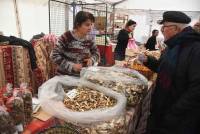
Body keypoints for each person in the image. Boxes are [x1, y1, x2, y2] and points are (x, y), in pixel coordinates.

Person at [138, 11, 200, 134]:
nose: (162, 31)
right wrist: (148, 60)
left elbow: (197, 89)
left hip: (180, 117)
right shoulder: (172, 45)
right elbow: (162, 68)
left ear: (175, 28)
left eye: (164, 27)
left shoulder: (195, 49)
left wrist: (174, 111)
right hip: (162, 107)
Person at [50, 11, 100, 76]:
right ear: (78, 25)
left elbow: (97, 53)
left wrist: (91, 60)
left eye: (91, 24)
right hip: (64, 76)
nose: (90, 28)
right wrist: (71, 66)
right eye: (87, 25)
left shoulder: (89, 39)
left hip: (81, 76)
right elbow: (54, 55)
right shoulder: (67, 37)